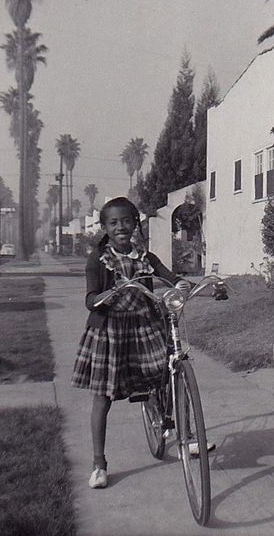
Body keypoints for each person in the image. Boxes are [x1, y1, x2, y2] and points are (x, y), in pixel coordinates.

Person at [71, 197, 191, 489]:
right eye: (114, 222)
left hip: (145, 327)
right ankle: (99, 464)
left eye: (127, 221)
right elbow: (90, 299)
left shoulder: (145, 257)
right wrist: (102, 297)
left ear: (136, 224)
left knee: (172, 374)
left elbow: (168, 276)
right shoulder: (97, 260)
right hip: (110, 332)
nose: (121, 227)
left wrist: (180, 284)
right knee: (103, 397)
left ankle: (188, 437)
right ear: (105, 227)